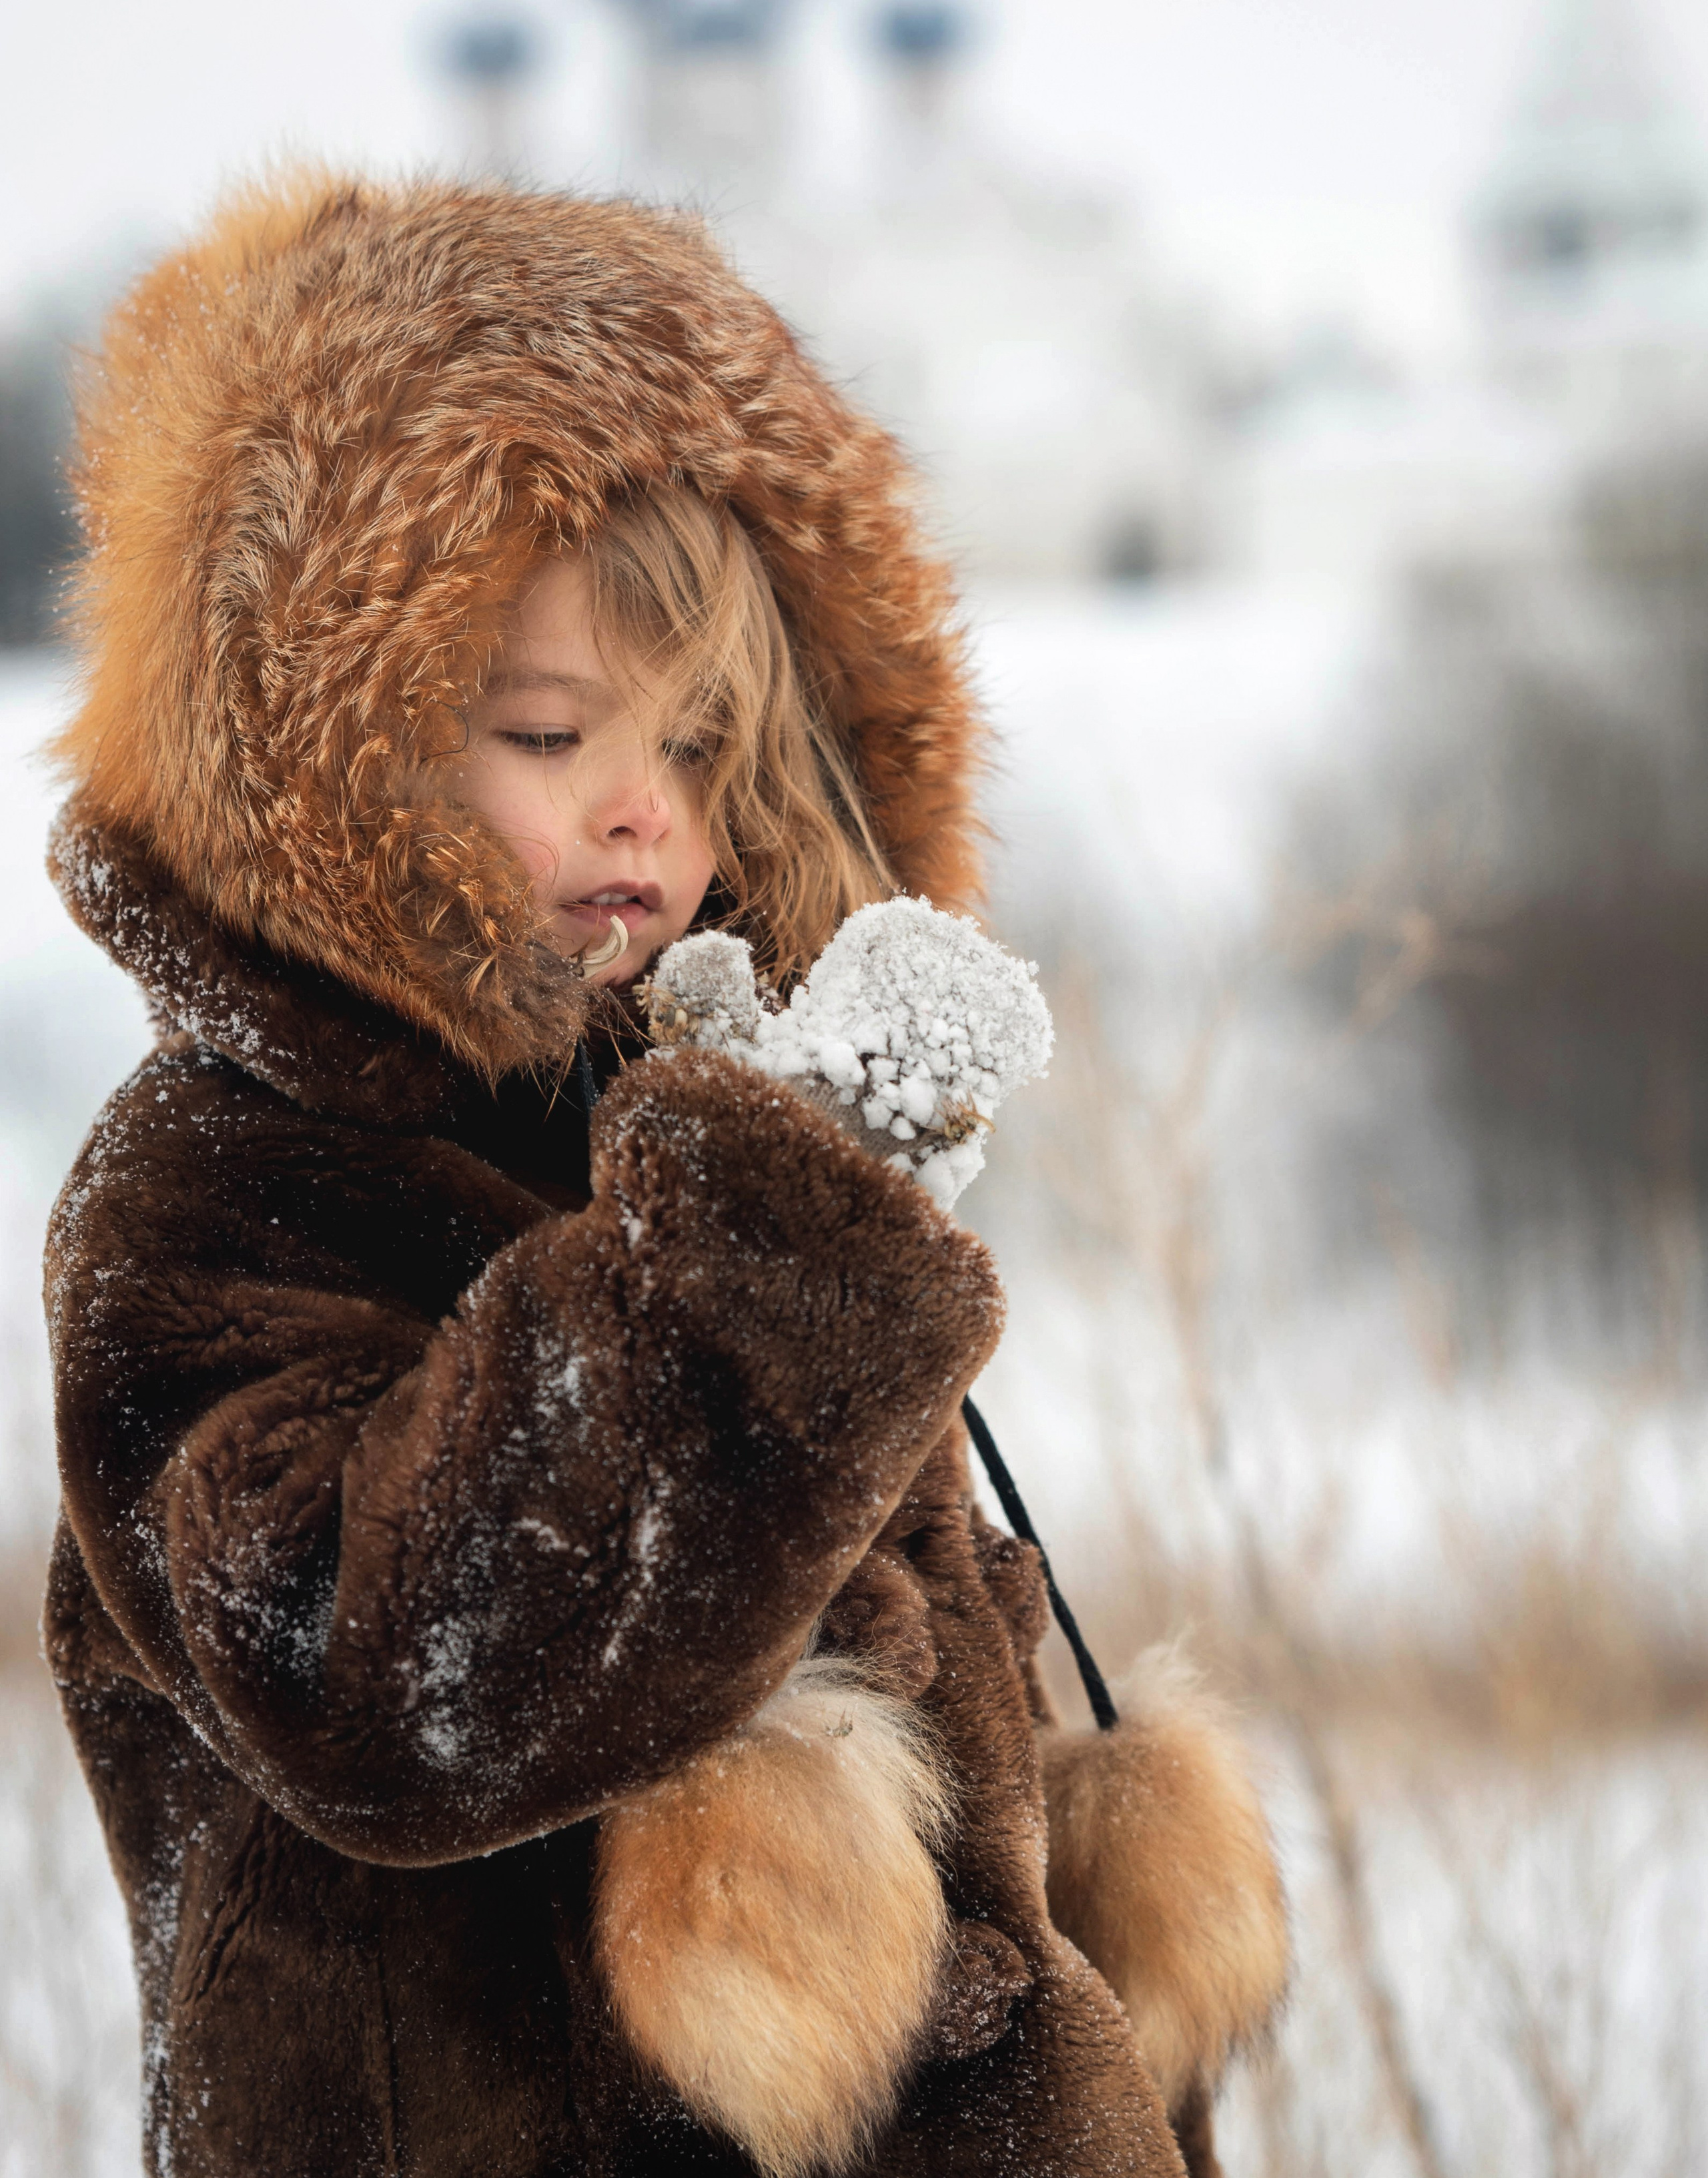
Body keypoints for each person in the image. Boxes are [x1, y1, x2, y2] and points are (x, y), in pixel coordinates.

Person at [42, 174, 1285, 2178]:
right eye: (550, 731)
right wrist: (747, 1256)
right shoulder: (215, 1198)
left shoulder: (685, 1115)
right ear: (323, 755)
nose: (647, 808)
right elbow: (391, 1683)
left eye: (704, 744)